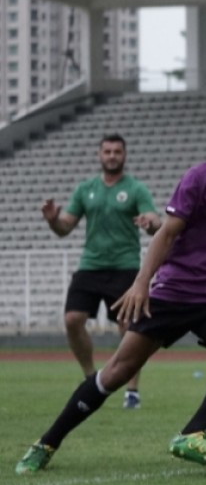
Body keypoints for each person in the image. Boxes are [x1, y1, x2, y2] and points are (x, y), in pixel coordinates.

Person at [15, 101, 206, 475]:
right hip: (174, 291)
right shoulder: (202, 177)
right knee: (115, 372)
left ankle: (194, 434)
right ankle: (45, 443)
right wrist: (141, 284)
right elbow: (166, 234)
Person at [41, 134, 162, 409]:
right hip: (91, 266)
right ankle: (89, 378)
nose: (111, 156)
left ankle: (131, 390)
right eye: (107, 151)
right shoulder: (86, 189)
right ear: (99, 155)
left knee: (129, 327)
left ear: (124, 155)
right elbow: (65, 227)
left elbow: (155, 220)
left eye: (117, 151)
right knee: (72, 320)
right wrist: (52, 221)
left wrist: (150, 222)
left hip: (125, 266)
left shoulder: (135, 189)